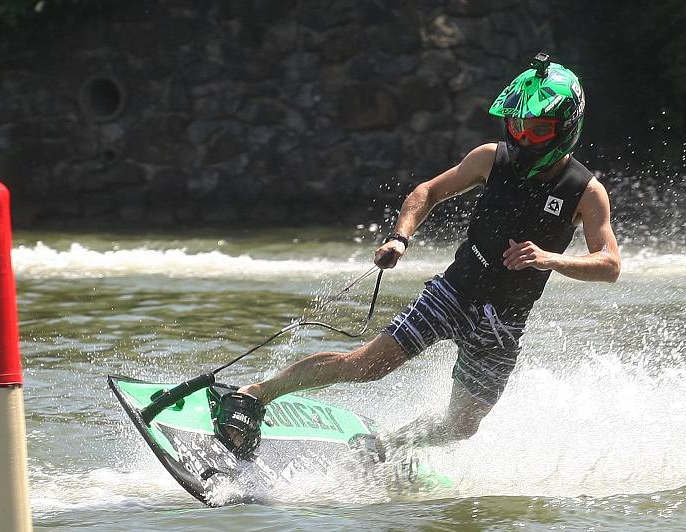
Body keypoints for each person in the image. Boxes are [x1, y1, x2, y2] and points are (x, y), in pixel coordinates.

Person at [211, 53, 621, 459]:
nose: (523, 140)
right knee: (364, 365)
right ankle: (254, 395)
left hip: (504, 321)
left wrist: (550, 259)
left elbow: (609, 265)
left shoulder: (585, 193)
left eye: (537, 131)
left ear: (565, 128)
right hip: (454, 292)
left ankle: (387, 446)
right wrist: (399, 239)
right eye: (517, 127)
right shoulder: (489, 158)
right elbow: (427, 192)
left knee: (462, 427)